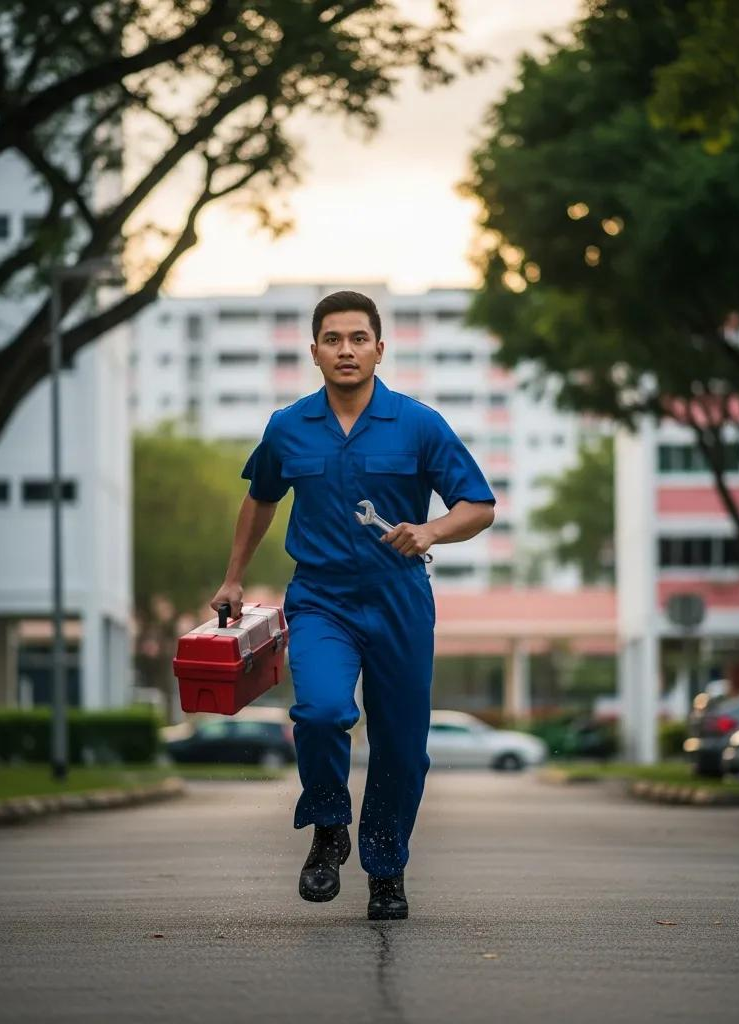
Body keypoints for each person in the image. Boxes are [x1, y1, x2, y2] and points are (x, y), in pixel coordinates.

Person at [209, 290, 495, 921]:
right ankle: (329, 827)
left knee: (400, 746)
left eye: (358, 338)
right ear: (314, 351)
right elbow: (260, 498)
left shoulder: (418, 423)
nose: (346, 350)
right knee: (318, 712)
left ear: (379, 348)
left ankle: (387, 871)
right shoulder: (289, 427)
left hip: (400, 600)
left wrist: (429, 531)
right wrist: (233, 578)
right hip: (320, 600)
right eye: (333, 340)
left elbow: (479, 506)